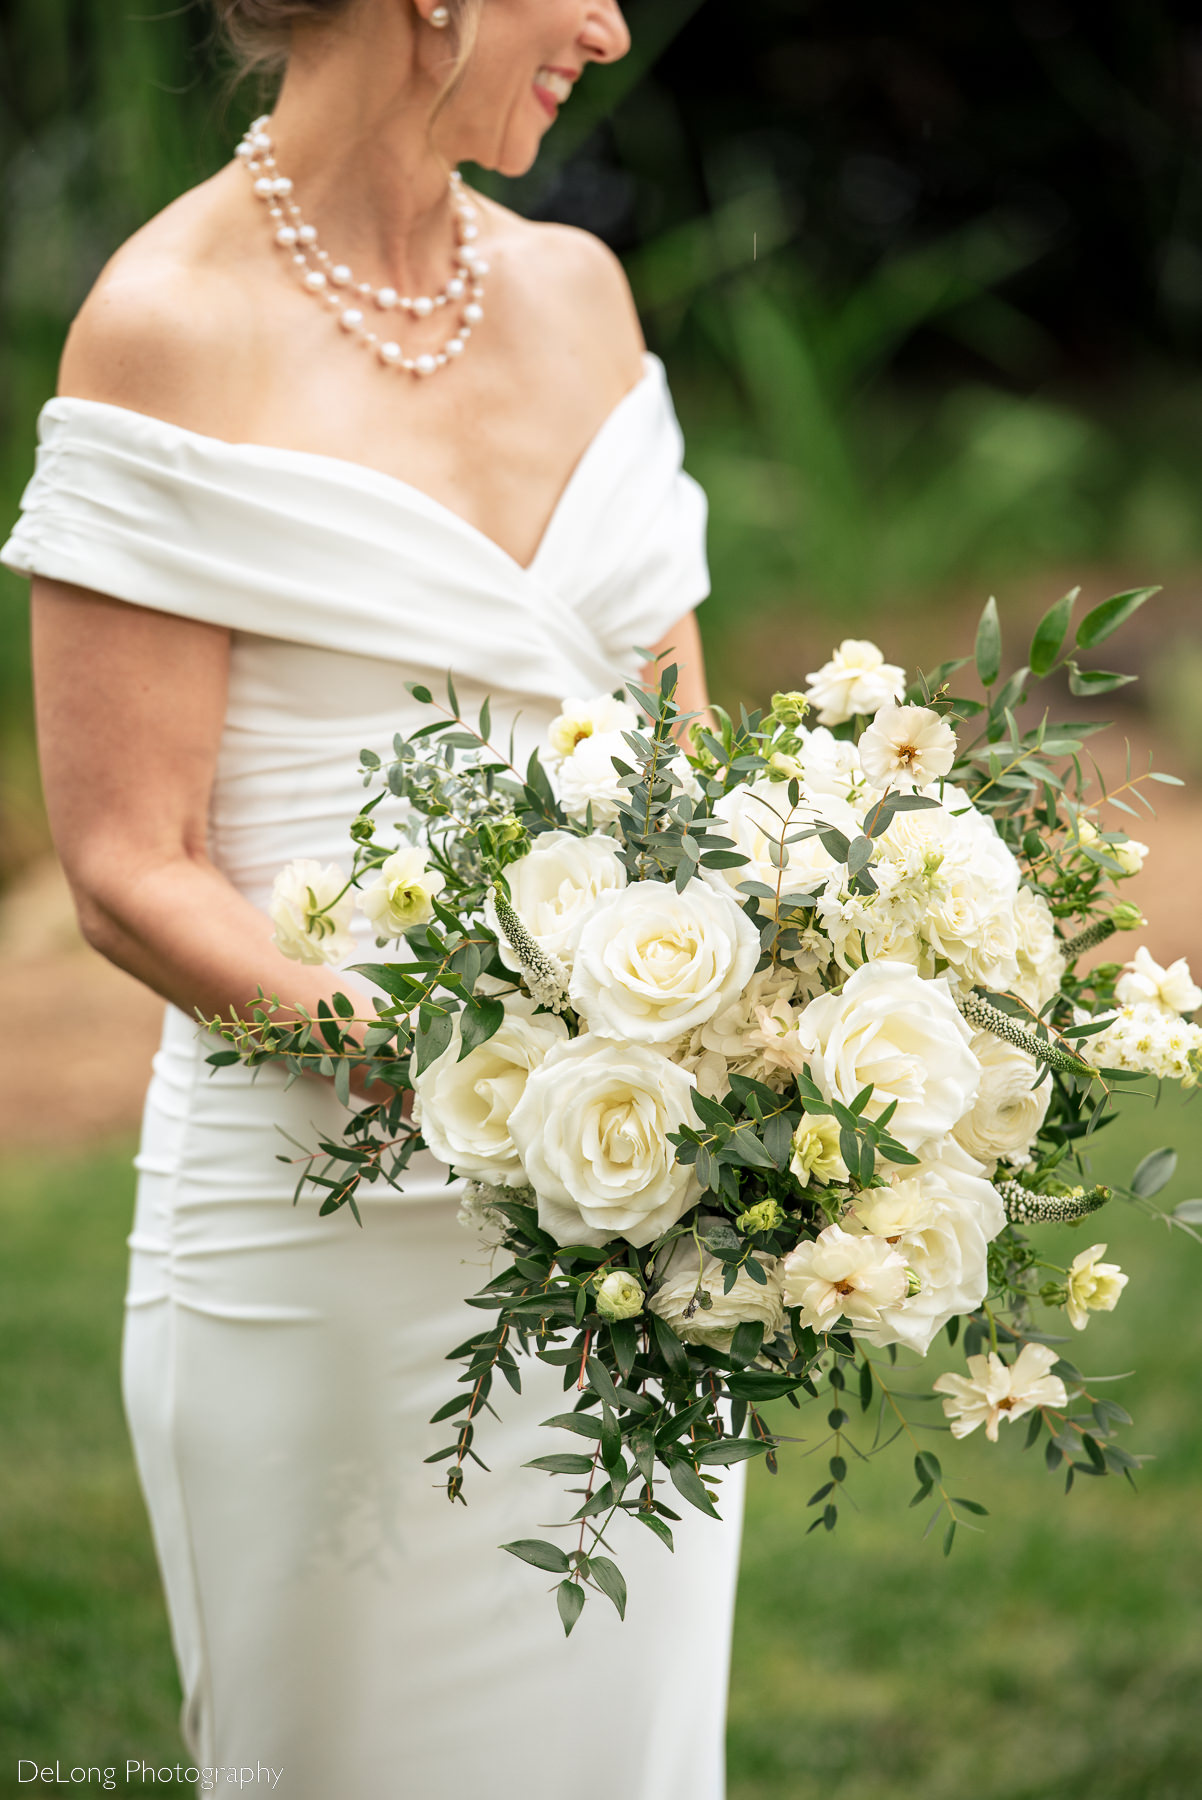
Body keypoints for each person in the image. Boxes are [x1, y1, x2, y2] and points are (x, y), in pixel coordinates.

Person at [2, 3, 743, 1795]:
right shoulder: (170, 324)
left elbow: (685, 781)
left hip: (634, 1239)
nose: (611, 24)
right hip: (322, 1246)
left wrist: (743, 1043)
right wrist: (464, 1084)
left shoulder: (580, 293)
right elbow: (128, 870)